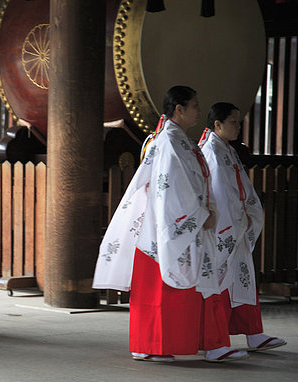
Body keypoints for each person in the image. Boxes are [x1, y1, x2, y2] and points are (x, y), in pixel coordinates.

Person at [93, 86, 248, 362]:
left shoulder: (179, 140)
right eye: (194, 105)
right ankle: (151, 345)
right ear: (179, 109)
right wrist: (200, 216)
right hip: (167, 227)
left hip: (184, 222)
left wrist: (203, 213)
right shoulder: (168, 142)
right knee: (161, 293)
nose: (198, 111)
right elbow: (170, 190)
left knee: (195, 287)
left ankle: (205, 343)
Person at [198, 102, 287, 352]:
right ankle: (213, 342)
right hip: (223, 227)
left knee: (242, 278)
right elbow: (218, 194)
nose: (238, 127)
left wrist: (247, 214)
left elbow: (238, 189)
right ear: (218, 124)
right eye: (233, 122)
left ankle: (253, 333)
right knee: (219, 281)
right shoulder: (211, 151)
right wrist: (238, 219)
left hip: (235, 223)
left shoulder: (225, 149)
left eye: (239, 121)